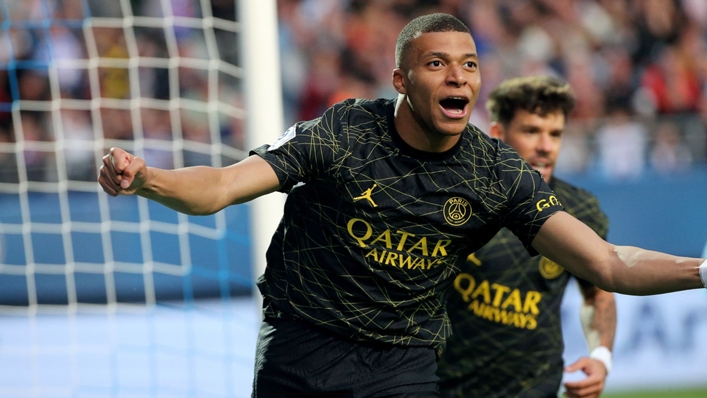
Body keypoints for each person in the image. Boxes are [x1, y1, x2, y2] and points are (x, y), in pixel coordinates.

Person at [98, 13, 707, 397]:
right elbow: (224, 187)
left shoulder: (494, 172)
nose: (458, 78)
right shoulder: (341, 134)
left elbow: (606, 264)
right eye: (437, 64)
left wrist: (700, 270)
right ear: (400, 80)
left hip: (404, 365)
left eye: (469, 65)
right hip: (300, 350)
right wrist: (148, 178)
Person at [437, 76, 616, 398]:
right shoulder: (458, 199)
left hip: (535, 387)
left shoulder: (578, 210)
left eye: (555, 134)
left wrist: (601, 356)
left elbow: (598, 295)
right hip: (445, 386)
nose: (545, 146)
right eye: (531, 131)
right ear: (497, 134)